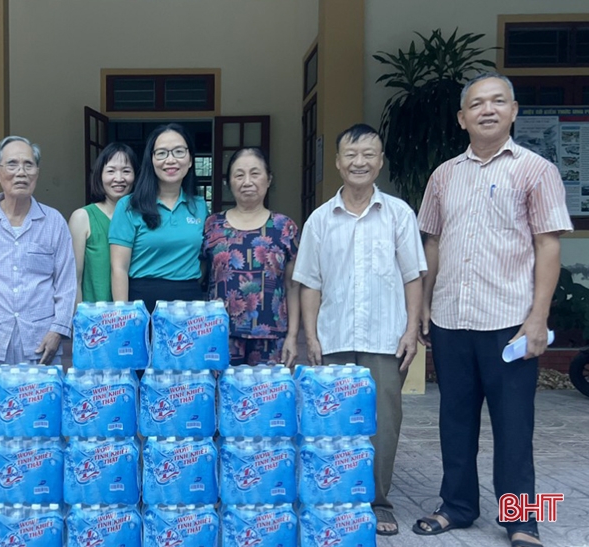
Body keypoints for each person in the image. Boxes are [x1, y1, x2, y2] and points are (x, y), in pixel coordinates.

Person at [414, 73, 572, 547]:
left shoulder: (535, 169)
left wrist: (538, 318)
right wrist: (423, 304)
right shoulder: (443, 174)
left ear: (514, 109)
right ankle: (457, 506)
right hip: (451, 320)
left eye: (497, 101)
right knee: (454, 422)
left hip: (509, 322)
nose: (488, 109)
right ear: (462, 119)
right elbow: (433, 242)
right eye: (477, 104)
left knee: (514, 426)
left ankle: (521, 519)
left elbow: (548, 246)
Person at [293, 123, 427, 536]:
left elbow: (412, 277)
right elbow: (310, 283)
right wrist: (311, 336)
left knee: (382, 423)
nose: (360, 162)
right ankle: (332, 498)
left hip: (385, 338)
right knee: (329, 424)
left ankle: (377, 501)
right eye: (351, 155)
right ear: (337, 162)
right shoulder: (320, 220)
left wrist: (411, 331)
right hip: (332, 338)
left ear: (380, 161)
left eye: (369, 154)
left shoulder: (398, 214)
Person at [0, 136, 76, 365]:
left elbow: (67, 283)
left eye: (28, 165)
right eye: (12, 164)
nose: (21, 172)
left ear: (37, 173)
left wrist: (58, 331)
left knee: (42, 401)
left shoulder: (54, 222)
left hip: (43, 343)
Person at [202, 147, 300, 366]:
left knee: (268, 398)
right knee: (222, 398)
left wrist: (293, 336)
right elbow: (202, 277)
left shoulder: (284, 227)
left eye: (255, 173)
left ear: (268, 179)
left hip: (271, 338)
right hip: (220, 336)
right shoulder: (212, 225)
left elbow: (293, 286)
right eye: (239, 175)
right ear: (229, 182)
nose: (247, 182)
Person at [109, 123, 207, 312]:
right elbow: (119, 268)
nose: (170, 160)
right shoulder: (129, 205)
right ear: (151, 160)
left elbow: (204, 259)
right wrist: (125, 315)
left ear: (191, 159)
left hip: (188, 306)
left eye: (179, 152)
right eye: (162, 153)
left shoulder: (200, 207)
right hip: (142, 303)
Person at [69, 143, 138, 303]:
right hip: (95, 321)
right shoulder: (83, 217)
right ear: (100, 174)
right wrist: (79, 321)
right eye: (111, 171)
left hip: (135, 318)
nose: (119, 179)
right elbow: (74, 280)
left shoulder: (142, 217)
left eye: (126, 171)